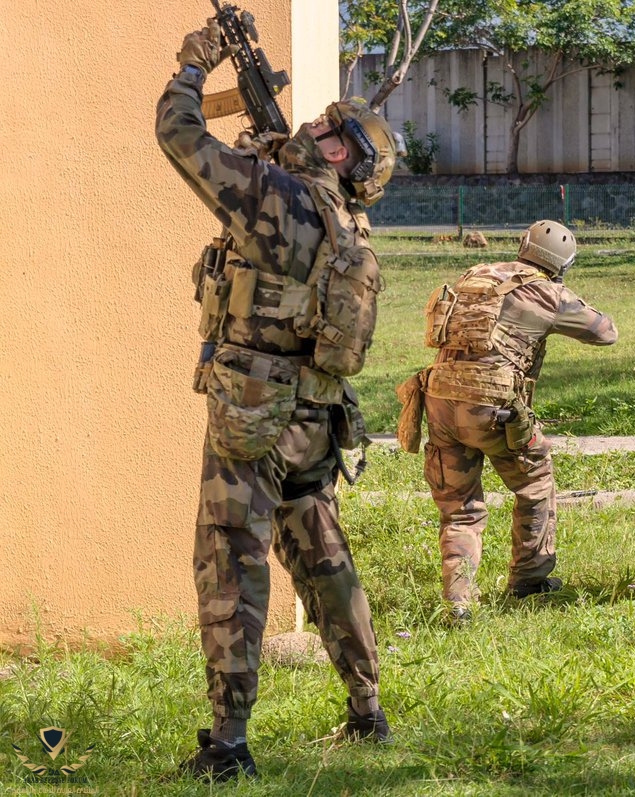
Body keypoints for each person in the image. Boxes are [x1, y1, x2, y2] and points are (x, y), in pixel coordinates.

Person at [158, 22, 400, 780]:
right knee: (321, 553)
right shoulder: (341, 220)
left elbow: (178, 136)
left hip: (251, 416)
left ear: (340, 154)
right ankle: (367, 707)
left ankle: (228, 743)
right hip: (313, 416)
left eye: (326, 126)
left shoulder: (277, 196)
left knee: (231, 560)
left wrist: (194, 69)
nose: (313, 124)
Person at [400, 220, 618, 622]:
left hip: (440, 400)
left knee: (459, 510)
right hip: (493, 407)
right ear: (563, 263)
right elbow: (606, 333)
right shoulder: (548, 292)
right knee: (535, 483)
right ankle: (528, 581)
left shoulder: (475, 275)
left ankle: (459, 600)